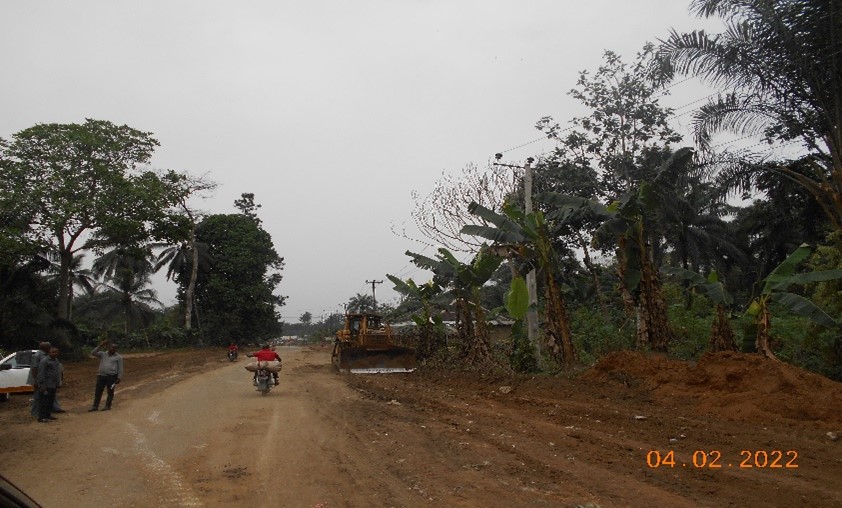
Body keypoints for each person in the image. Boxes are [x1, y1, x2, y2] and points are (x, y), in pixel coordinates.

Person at [27, 341, 65, 419]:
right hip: (41, 380)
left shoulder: (49, 355)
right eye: (49, 346)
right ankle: (37, 413)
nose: (50, 348)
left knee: (50, 397)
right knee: (39, 397)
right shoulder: (38, 355)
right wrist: (37, 381)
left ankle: (51, 411)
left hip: (50, 382)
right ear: (44, 348)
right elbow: (34, 369)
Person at [88, 340, 123, 412]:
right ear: (108, 348)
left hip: (112, 377)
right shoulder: (103, 354)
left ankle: (108, 405)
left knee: (110, 391)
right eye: (112, 348)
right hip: (101, 376)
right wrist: (100, 345)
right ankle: (95, 406)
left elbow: (120, 368)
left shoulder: (118, 357)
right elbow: (93, 353)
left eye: (115, 348)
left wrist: (119, 377)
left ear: (117, 349)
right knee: (98, 391)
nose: (113, 349)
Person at [36, 347, 63, 423]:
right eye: (52, 352)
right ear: (49, 353)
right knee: (44, 402)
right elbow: (41, 374)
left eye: (55, 352)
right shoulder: (44, 361)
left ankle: (48, 415)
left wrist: (58, 383)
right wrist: (42, 385)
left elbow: (57, 372)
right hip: (46, 385)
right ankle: (42, 417)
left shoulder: (56, 360)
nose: (54, 353)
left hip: (53, 385)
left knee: (50, 401)